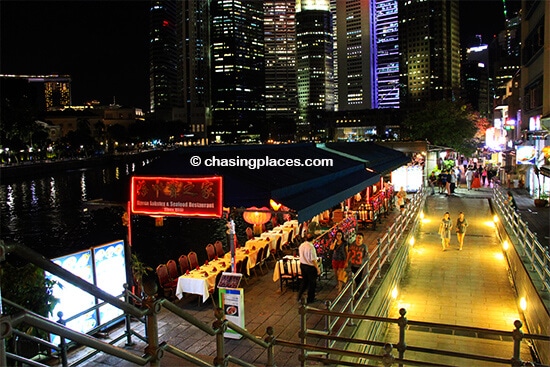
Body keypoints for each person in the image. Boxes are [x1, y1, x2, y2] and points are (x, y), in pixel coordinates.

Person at [297, 233, 321, 304]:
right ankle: (310, 298)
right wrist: (318, 268)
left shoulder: (301, 245)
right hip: (310, 267)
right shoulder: (311, 247)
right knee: (312, 283)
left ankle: (299, 296)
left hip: (303, 265)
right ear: (313, 239)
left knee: (304, 282)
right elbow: (313, 259)